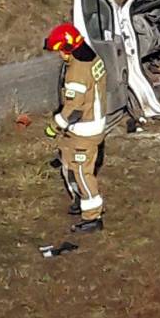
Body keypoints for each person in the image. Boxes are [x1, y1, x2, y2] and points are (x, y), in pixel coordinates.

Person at [44, 23, 107, 234]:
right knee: (67, 160)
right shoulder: (90, 57)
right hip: (88, 126)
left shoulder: (77, 72)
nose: (59, 55)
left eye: (60, 50)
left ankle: (92, 216)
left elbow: (73, 108)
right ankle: (79, 200)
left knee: (82, 171)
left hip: (84, 130)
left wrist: (54, 126)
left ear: (67, 48)